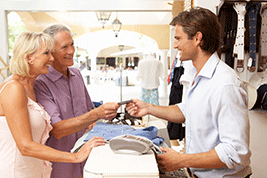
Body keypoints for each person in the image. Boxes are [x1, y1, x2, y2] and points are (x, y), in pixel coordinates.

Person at [126, 7, 252, 178]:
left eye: (178, 38)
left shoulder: (225, 85)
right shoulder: (195, 74)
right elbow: (187, 110)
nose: (175, 44)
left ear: (197, 38)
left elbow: (234, 152)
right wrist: (148, 108)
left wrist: (181, 160)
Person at [0, 32, 106, 178]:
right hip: (16, 171)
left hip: (35, 170)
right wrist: (75, 156)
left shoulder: (32, 87)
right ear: (28, 58)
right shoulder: (13, 88)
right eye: (46, 53)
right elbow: (25, 146)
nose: (51, 58)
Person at [33, 25, 120, 178]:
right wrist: (96, 114)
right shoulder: (41, 82)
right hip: (59, 166)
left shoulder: (76, 74)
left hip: (86, 160)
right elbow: (57, 130)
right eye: (64, 47)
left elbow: (88, 112)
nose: (71, 51)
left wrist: (101, 115)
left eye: (72, 44)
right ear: (51, 52)